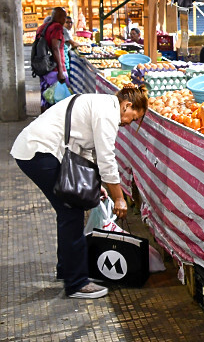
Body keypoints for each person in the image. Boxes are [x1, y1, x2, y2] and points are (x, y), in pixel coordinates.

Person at [11, 86, 148, 299]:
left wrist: (95, 183)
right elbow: (106, 159)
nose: (129, 123)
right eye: (133, 117)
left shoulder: (100, 103)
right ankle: (76, 283)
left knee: (67, 212)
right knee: (71, 212)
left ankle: (66, 269)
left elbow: (82, 148)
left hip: (36, 151)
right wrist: (119, 197)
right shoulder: (108, 113)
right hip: (38, 152)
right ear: (127, 105)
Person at [36, 8, 68, 113]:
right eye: (65, 16)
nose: (65, 19)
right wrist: (60, 72)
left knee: (45, 97)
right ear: (60, 17)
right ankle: (56, 123)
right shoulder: (57, 28)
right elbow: (55, 48)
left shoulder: (42, 27)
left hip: (44, 68)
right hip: (54, 69)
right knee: (58, 98)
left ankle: (43, 121)